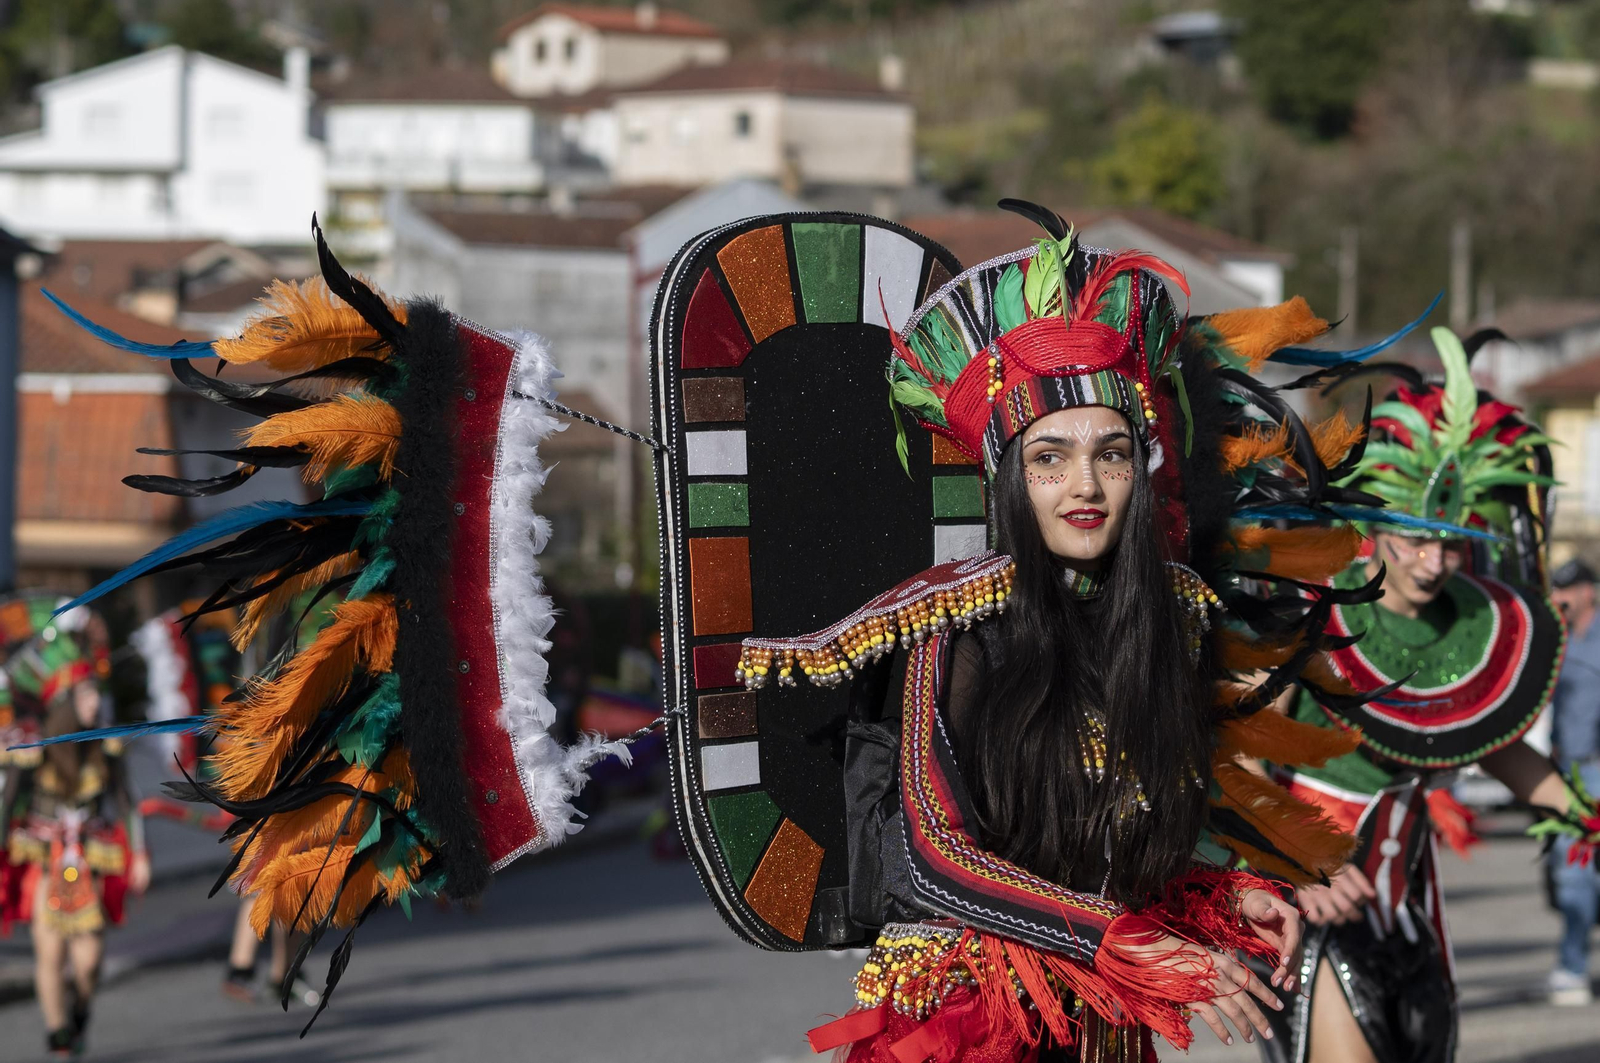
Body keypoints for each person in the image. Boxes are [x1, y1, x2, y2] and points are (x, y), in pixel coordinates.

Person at [32, 204, 1491, 1055]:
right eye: (1050, 459)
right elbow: (925, 843)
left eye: (1108, 453)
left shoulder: (1164, 619)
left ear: (1145, 463)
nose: (1085, 483)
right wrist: (1122, 938)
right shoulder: (946, 622)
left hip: (1101, 1013)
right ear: (1005, 475)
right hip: (966, 1021)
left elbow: (1133, 825)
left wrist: (1235, 903)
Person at [1254, 329, 1599, 1063]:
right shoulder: (1313, 606)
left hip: (1409, 907)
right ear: (1378, 528)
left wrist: (1588, 818)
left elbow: (1498, 750)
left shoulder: (1468, 622)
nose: (1434, 560)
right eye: (1415, 539)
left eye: (1448, 541)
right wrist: (1300, 862)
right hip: (1309, 895)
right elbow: (1238, 755)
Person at [1, 614, 150, 1058]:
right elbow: (7, 807)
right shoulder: (31, 751)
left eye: (95, 693)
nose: (94, 702)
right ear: (64, 698)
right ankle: (57, 1036)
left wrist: (139, 854)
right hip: (44, 857)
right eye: (85, 693)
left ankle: (80, 1012)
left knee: (88, 963)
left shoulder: (106, 745)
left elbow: (128, 801)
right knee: (49, 956)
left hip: (90, 856)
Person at [1546, 558, 1600, 1006]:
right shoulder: (1558, 639)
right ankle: (1573, 966)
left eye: (1566, 590)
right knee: (1570, 874)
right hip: (1569, 772)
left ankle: (1573, 966)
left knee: (1578, 873)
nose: (1559, 598)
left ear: (1588, 591)